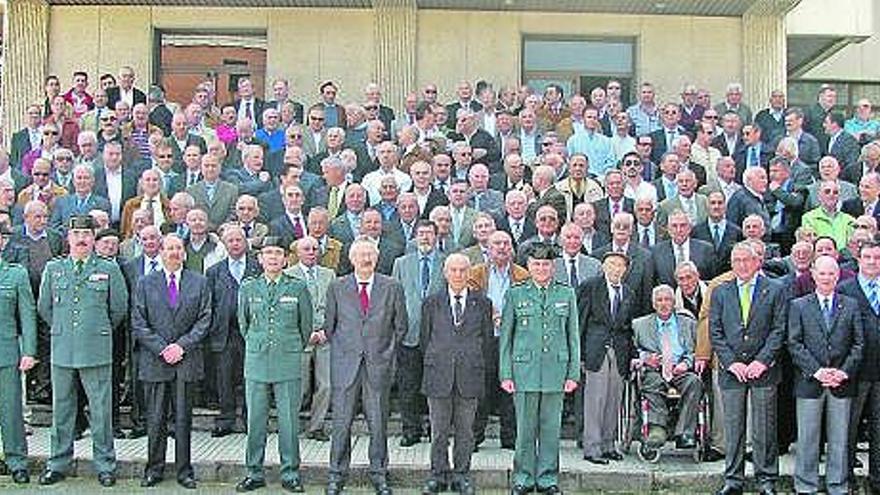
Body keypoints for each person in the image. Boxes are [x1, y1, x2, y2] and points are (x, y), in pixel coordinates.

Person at [37, 215, 128, 488]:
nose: (81, 238)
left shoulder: (108, 269)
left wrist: (95, 329)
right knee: (62, 409)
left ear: (93, 238)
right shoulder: (55, 269)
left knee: (101, 410)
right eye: (76, 233)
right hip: (63, 347)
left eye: (86, 233)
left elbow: (118, 308)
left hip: (96, 348)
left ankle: (105, 465)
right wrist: (67, 329)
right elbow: (45, 308)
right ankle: (58, 463)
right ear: (68, 237)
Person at [325, 237, 407, 495]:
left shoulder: (391, 286)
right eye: (360, 254)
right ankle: (337, 475)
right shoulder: (337, 287)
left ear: (377, 257)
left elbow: (400, 326)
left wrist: (386, 354)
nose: (366, 259)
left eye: (370, 254)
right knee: (341, 423)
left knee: (379, 423)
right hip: (345, 366)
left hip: (378, 365)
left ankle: (380, 474)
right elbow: (330, 326)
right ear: (351, 259)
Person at [131, 234, 211, 489]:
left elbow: (204, 319)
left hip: (185, 361)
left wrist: (181, 346)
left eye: (178, 248)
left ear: (184, 253)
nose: (174, 252)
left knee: (183, 419)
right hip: (156, 361)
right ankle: (154, 469)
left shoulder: (199, 282)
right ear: (161, 252)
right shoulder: (145, 283)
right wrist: (162, 348)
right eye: (169, 248)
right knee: (155, 419)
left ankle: (184, 470)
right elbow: (138, 322)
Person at [500, 243, 579, 495]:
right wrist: (506, 373)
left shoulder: (566, 294)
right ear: (528, 266)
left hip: (556, 371)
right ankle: (523, 478)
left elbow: (573, 336)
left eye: (546, 264)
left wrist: (573, 373)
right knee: (524, 430)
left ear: (553, 267)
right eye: (536, 264)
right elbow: (506, 338)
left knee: (550, 429)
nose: (541, 268)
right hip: (524, 371)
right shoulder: (515, 293)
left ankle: (547, 478)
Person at [235, 236, 312, 493]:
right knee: (255, 419)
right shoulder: (249, 287)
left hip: (288, 360)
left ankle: (290, 472)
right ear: (260, 258)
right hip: (256, 361)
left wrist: (289, 347)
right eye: (268, 253)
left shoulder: (297, 287)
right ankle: (253, 472)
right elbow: (244, 324)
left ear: (286, 258)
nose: (273, 257)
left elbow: (306, 326)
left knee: (289, 421)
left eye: (278, 253)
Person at [709, 241, 787, 495]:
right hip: (732, 371)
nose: (742, 265)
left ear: (757, 262)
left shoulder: (775, 289)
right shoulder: (721, 291)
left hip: (763, 370)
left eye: (747, 260)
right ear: (731, 264)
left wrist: (762, 361)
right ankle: (733, 479)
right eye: (737, 261)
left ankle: (766, 479)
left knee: (764, 427)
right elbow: (716, 332)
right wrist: (731, 363)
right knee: (733, 427)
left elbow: (779, 329)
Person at [787, 255, 863, 495]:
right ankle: (805, 486)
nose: (827, 278)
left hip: (841, 382)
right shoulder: (799, 305)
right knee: (808, 438)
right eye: (822, 273)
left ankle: (837, 486)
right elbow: (794, 343)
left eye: (831, 273)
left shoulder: (850, 304)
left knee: (839, 439)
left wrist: (843, 372)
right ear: (813, 275)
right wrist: (818, 371)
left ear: (837, 275)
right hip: (810, 382)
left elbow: (858, 344)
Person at [419, 253, 493, 495]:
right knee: (438, 431)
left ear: (469, 272)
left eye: (463, 270)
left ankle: (462, 475)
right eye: (454, 270)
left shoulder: (482, 302)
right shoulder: (432, 302)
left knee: (465, 431)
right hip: (438, 374)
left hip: (469, 375)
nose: (459, 275)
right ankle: (438, 475)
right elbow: (424, 339)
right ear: (445, 272)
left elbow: (487, 341)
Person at [632, 285, 703, 461]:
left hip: (680, 368)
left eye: (667, 300)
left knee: (694, 382)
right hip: (655, 369)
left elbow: (695, 352)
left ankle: (685, 433)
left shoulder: (688, 324)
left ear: (673, 303)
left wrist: (686, 364)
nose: (664, 304)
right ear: (653, 304)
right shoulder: (639, 325)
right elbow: (632, 350)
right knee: (651, 383)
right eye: (659, 300)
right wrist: (645, 358)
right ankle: (658, 428)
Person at [391, 220, 446, 447]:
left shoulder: (446, 263)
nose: (424, 238)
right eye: (420, 234)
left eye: (429, 234)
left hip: (438, 336)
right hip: (409, 334)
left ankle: (436, 428)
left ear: (436, 237)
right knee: (408, 386)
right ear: (414, 237)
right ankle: (410, 430)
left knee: (436, 385)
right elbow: (393, 298)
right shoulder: (401, 263)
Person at [578, 251, 635, 464]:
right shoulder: (590, 287)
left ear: (625, 270)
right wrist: (581, 355)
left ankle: (608, 445)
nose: (615, 269)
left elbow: (628, 327)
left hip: (619, 351)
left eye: (620, 266)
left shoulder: (628, 292)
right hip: (596, 349)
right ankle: (592, 448)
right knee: (595, 399)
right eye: (611, 264)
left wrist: (630, 356)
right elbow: (581, 322)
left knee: (614, 399)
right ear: (603, 266)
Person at [205, 225, 261, 438]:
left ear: (246, 242)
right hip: (224, 332)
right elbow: (209, 303)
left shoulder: (258, 267)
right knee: (224, 378)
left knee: (252, 377)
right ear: (225, 245)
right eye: (231, 241)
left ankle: (251, 419)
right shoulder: (214, 271)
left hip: (252, 332)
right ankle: (226, 419)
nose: (235, 244)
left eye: (239, 240)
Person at [838, 240, 880, 491]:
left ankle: (877, 479)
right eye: (868, 257)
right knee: (848, 427)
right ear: (859, 260)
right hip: (855, 371)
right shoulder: (845, 290)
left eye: (877, 257)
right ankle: (846, 479)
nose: (873, 262)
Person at [287, 236, 335, 442]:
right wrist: (306, 333)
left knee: (326, 384)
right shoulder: (288, 275)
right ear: (297, 252)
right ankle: (291, 426)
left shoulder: (329, 274)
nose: (311, 252)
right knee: (299, 386)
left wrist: (326, 330)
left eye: (315, 248)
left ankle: (316, 427)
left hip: (325, 338)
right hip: (299, 338)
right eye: (306, 248)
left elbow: (336, 305)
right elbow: (287, 309)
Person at [0, 226, 38, 484]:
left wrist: (29, 351)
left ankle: (16, 462)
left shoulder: (15, 274)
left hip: (6, 351)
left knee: (11, 410)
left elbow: (27, 314)